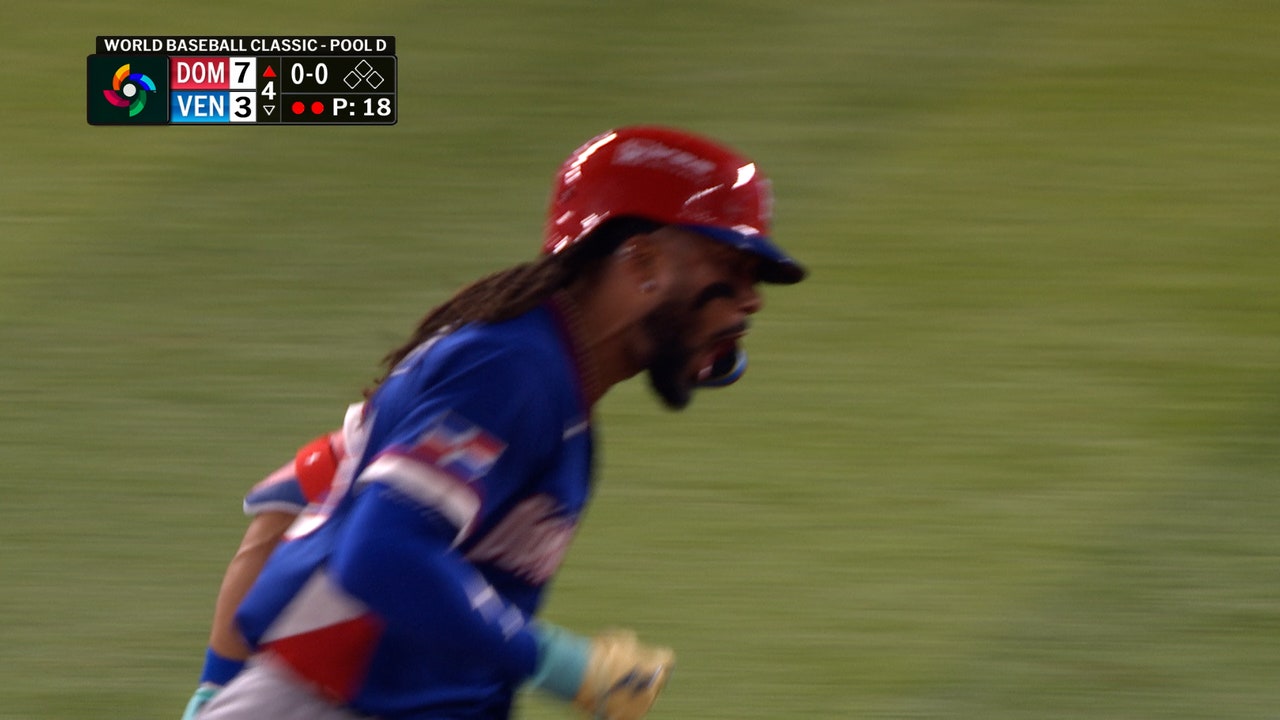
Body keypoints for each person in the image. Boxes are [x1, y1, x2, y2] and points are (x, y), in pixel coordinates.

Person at [189, 125, 807, 720]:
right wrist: (560, 663)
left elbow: (297, 492)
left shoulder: (538, 375)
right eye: (731, 268)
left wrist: (217, 684)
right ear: (642, 264)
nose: (751, 299)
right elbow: (380, 550)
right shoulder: (510, 369)